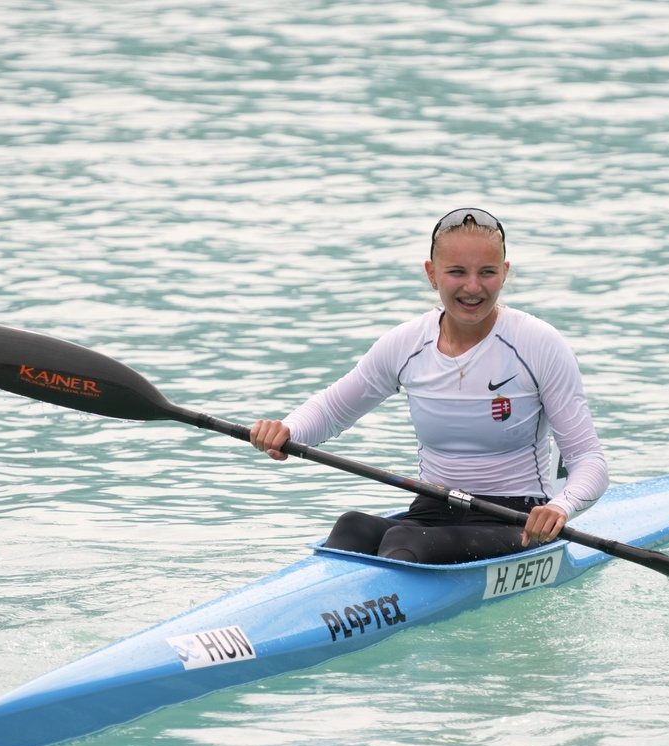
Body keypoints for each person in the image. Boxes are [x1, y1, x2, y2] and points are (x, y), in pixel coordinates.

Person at [249, 207, 608, 564]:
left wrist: (560, 506)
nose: (472, 287)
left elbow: (588, 459)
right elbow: (331, 410)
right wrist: (288, 430)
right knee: (351, 527)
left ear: (504, 273)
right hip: (433, 510)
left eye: (487, 272)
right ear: (432, 274)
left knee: (405, 541)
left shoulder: (538, 344)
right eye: (457, 272)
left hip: (518, 519)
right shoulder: (407, 343)